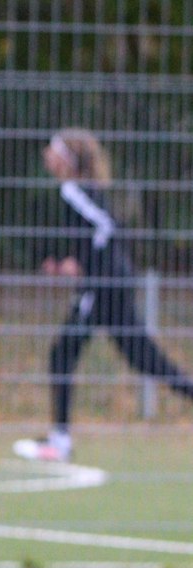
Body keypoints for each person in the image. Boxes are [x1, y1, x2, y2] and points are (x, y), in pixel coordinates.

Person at [14, 128, 193, 464]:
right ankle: (60, 438)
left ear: (68, 158)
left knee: (63, 353)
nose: (46, 155)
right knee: (144, 358)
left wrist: (80, 263)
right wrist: (71, 263)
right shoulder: (77, 191)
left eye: (53, 149)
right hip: (105, 283)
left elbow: (105, 227)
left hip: (105, 286)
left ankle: (60, 441)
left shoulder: (74, 191)